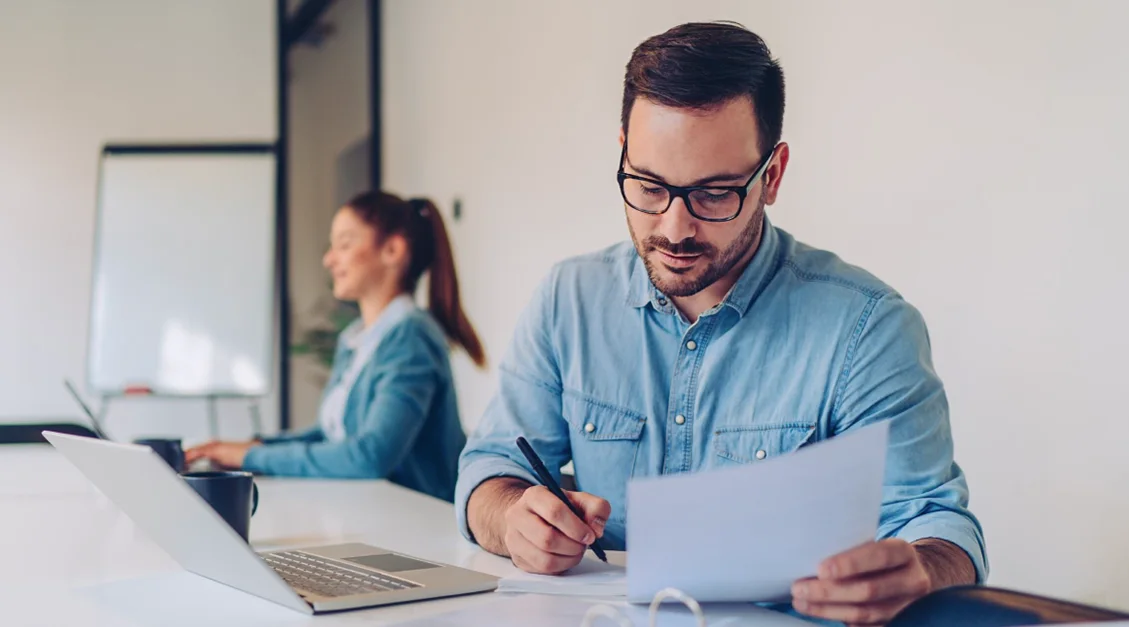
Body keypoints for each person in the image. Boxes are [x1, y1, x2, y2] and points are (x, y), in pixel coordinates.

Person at [456, 21, 986, 625]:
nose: (676, 228)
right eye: (649, 185)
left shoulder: (868, 328)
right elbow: (490, 467)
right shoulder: (567, 300)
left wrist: (922, 571)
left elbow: (938, 525)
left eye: (714, 194)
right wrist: (512, 516)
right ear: (624, 149)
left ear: (773, 176)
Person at [187, 191, 485, 503]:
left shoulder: (410, 337)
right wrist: (255, 447)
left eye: (344, 244)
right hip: (373, 511)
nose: (329, 259)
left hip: (419, 523)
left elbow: (369, 456)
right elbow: (331, 435)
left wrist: (250, 457)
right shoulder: (357, 338)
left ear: (393, 250)